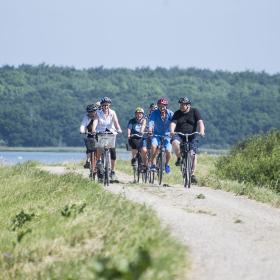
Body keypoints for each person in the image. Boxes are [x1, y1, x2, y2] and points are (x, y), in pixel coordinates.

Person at [170, 97, 205, 184]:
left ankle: (192, 174)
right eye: (180, 104)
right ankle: (179, 158)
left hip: (192, 135)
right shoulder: (177, 113)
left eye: (183, 104)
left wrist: (202, 131)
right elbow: (173, 123)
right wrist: (171, 131)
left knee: (193, 154)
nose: (181, 106)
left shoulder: (195, 111)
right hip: (179, 134)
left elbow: (200, 122)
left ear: (188, 105)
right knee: (174, 142)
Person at [92, 96, 122, 180]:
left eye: (107, 105)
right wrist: (94, 129)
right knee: (99, 147)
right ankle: (98, 161)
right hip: (100, 132)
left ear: (109, 105)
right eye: (104, 105)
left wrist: (119, 129)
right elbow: (95, 121)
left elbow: (116, 122)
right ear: (101, 105)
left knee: (113, 151)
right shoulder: (98, 113)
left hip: (111, 133)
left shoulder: (112, 112)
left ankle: (112, 171)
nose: (105, 107)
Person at [148, 97, 174, 173]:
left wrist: (174, 130)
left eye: (163, 106)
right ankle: (153, 164)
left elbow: (174, 122)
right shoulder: (154, 113)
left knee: (168, 150)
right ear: (158, 106)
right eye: (160, 106)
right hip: (156, 134)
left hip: (167, 135)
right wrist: (150, 129)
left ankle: (166, 164)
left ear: (166, 106)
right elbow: (151, 121)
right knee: (153, 146)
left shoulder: (170, 113)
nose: (162, 107)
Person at [79, 104, 99, 169]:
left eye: (93, 111)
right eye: (90, 112)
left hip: (99, 134)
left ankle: (101, 161)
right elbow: (83, 125)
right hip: (90, 133)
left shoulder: (99, 116)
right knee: (89, 148)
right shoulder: (86, 117)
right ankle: (88, 161)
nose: (91, 113)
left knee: (101, 148)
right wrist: (82, 131)